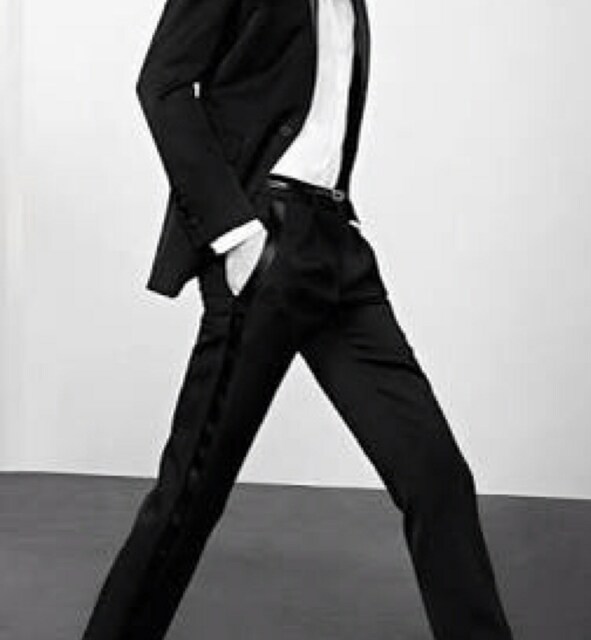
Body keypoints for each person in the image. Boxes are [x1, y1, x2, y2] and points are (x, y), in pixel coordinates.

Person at [81, 0, 514, 638]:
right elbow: (162, 84)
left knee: (435, 474)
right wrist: (236, 235)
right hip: (265, 243)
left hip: (337, 244)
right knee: (190, 497)